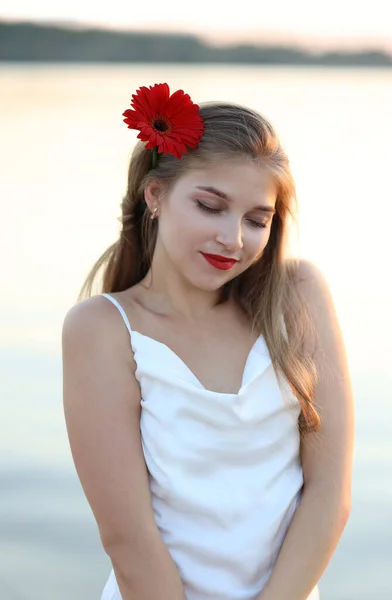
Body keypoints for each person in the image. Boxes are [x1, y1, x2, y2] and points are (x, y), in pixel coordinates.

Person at [62, 83, 354, 600]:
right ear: (156, 195)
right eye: (210, 206)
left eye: (256, 219)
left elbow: (329, 492)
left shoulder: (299, 296)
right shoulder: (103, 328)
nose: (233, 239)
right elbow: (128, 540)